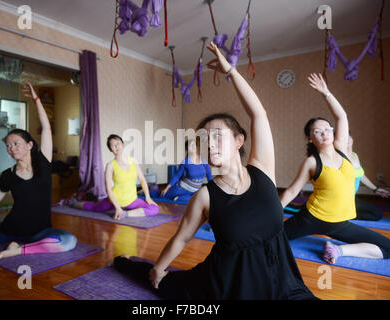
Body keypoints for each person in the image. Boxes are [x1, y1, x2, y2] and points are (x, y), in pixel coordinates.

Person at [112, 42, 316, 300]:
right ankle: (125, 263)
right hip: (226, 287)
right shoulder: (205, 196)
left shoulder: (262, 170)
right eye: (204, 138)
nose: (209, 143)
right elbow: (181, 238)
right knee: (164, 283)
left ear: (239, 141)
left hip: (285, 283)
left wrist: (230, 70)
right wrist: (158, 268)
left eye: (217, 136)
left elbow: (259, 115)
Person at [280, 73, 390, 264]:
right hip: (312, 217)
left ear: (333, 132)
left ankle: (337, 250)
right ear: (311, 138)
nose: (324, 133)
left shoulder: (342, 149)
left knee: (389, 249)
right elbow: (293, 190)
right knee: (268, 239)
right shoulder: (311, 162)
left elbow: (341, 116)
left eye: (327, 129)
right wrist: (274, 213)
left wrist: (325, 92)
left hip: (339, 223)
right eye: (317, 131)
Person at [0, 81, 77, 262]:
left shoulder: (44, 163)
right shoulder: (8, 174)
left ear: (30, 145)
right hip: (9, 230)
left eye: (16, 143)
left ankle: (18, 249)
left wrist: (36, 99)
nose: (11, 148)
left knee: (69, 241)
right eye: (8, 145)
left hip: (40, 231)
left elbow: (46, 128)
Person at [71, 134, 159, 220]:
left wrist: (148, 197)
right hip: (114, 201)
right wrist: (117, 207)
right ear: (110, 150)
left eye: (118, 143)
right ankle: (74, 203)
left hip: (132, 200)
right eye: (113, 145)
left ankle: (125, 214)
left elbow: (142, 180)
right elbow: (108, 189)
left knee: (154, 208)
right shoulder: (110, 165)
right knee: (95, 207)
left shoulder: (133, 161)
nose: (116, 146)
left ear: (123, 144)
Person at [150, 138, 213, 203]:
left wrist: (213, 188)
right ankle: (144, 192)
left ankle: (180, 198)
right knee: (161, 195)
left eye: (194, 145)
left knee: (199, 199)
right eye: (191, 146)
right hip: (181, 188)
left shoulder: (203, 160)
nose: (193, 147)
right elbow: (177, 176)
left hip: (195, 190)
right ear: (187, 149)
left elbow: (209, 174)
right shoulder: (185, 162)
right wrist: (167, 188)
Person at [347, 134, 390, 221]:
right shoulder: (338, 158)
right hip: (341, 198)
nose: (346, 139)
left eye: (348, 136)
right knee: (375, 214)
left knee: (375, 214)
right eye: (342, 136)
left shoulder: (355, 155)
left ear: (352, 139)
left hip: (351, 198)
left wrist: (376, 189)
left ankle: (346, 214)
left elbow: (361, 175)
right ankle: (342, 214)